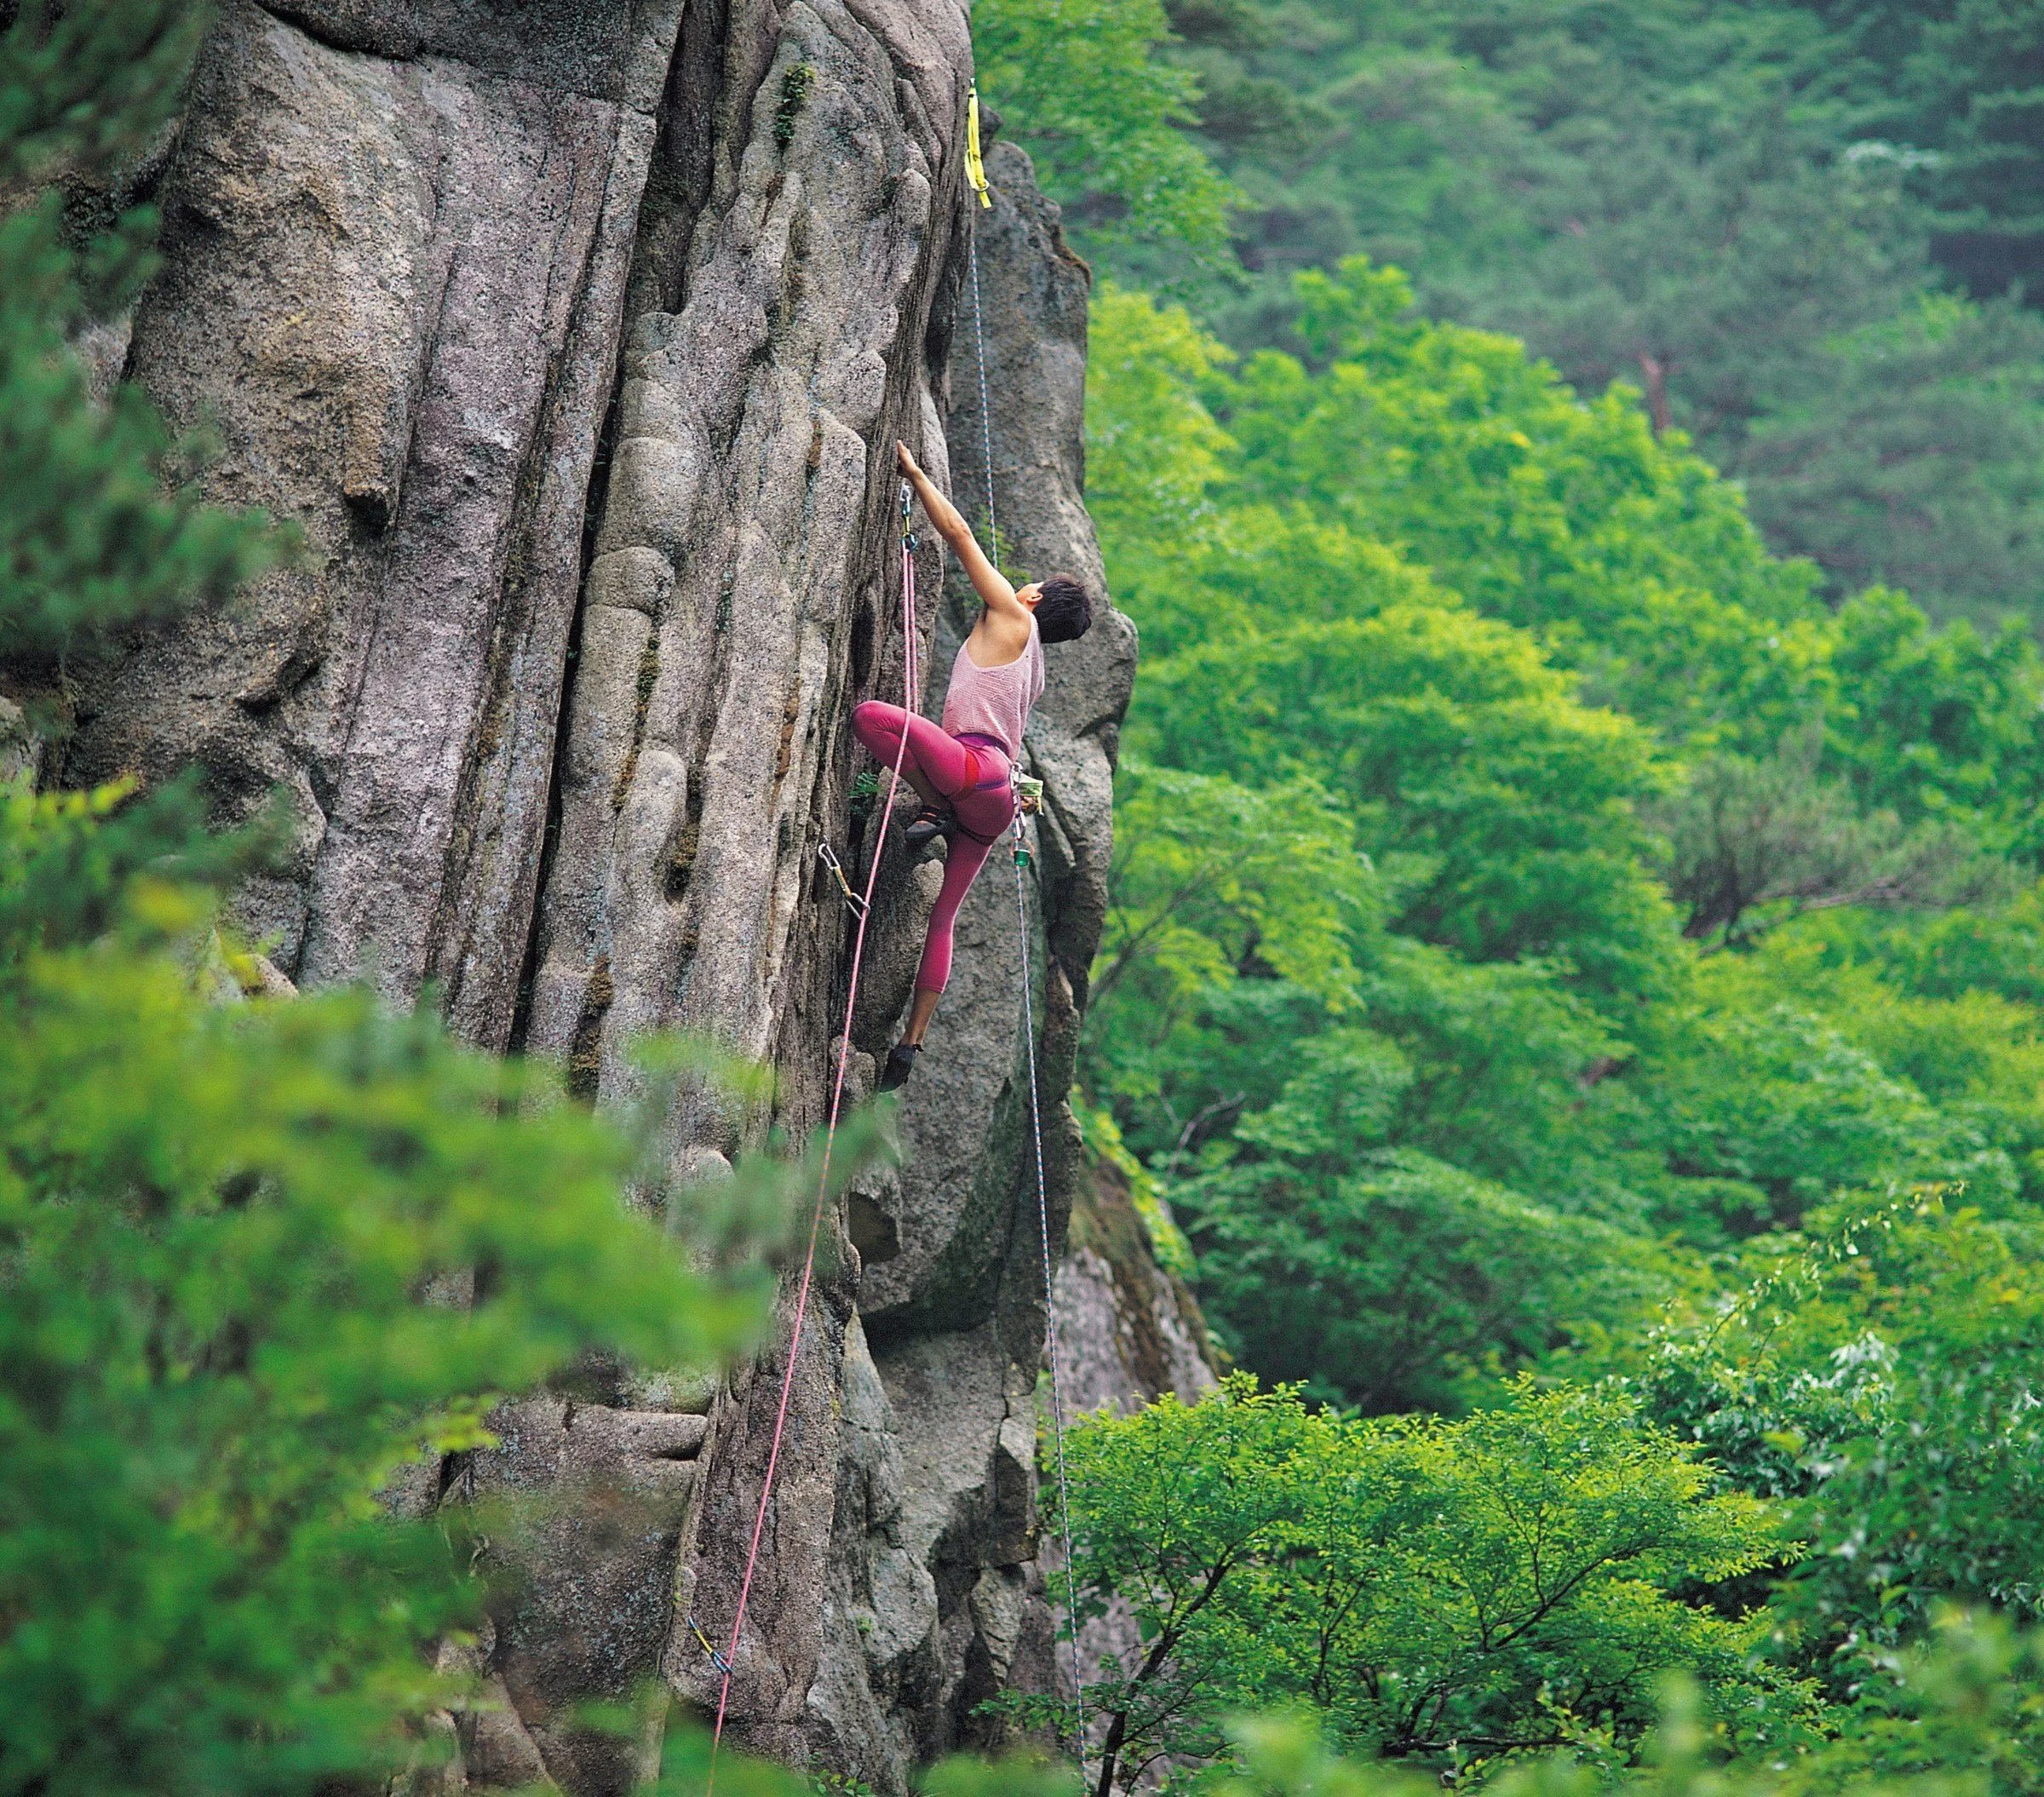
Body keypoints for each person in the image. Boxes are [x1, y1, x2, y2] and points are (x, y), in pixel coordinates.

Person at [851, 440, 1094, 1090]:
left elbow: (956, 534)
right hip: (997, 797)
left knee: (872, 718)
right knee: (943, 919)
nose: (1024, 584)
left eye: (1032, 583)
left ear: (1038, 599)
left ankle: (931, 803)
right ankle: (911, 1045)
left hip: (970, 771)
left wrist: (913, 473)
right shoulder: (1037, 669)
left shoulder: (1013, 616)